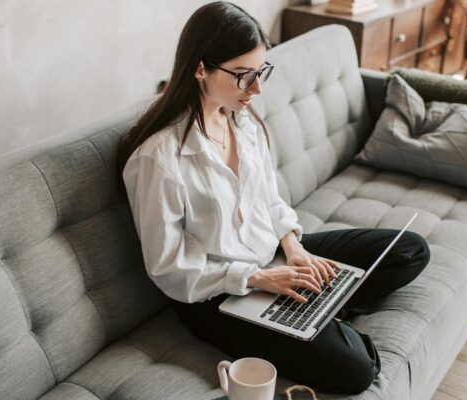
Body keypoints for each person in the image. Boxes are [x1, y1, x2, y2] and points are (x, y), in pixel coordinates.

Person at [116, 1, 430, 394]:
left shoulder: (241, 120)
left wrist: (294, 247)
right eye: (245, 76)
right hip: (217, 294)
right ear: (200, 68)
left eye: (261, 71)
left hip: (273, 257)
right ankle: (316, 313)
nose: (258, 88)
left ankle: (314, 307)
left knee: (410, 250)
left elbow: (269, 199)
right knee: (357, 370)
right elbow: (169, 268)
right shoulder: (158, 158)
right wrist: (259, 279)